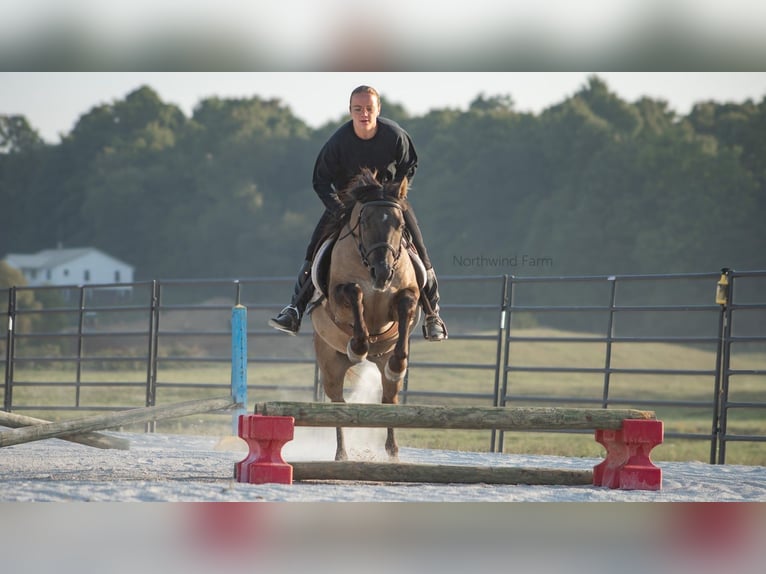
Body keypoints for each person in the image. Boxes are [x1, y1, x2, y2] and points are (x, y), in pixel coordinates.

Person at [269, 85, 448, 341]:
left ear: (378, 109)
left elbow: (410, 164)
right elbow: (320, 181)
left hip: (386, 201)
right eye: (358, 109)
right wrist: (338, 208)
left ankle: (433, 315)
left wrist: (395, 192)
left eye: (368, 108)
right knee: (316, 247)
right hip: (347, 202)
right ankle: (294, 309)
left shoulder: (395, 135)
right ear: (350, 111)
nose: (364, 114)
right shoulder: (338, 142)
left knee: (419, 246)